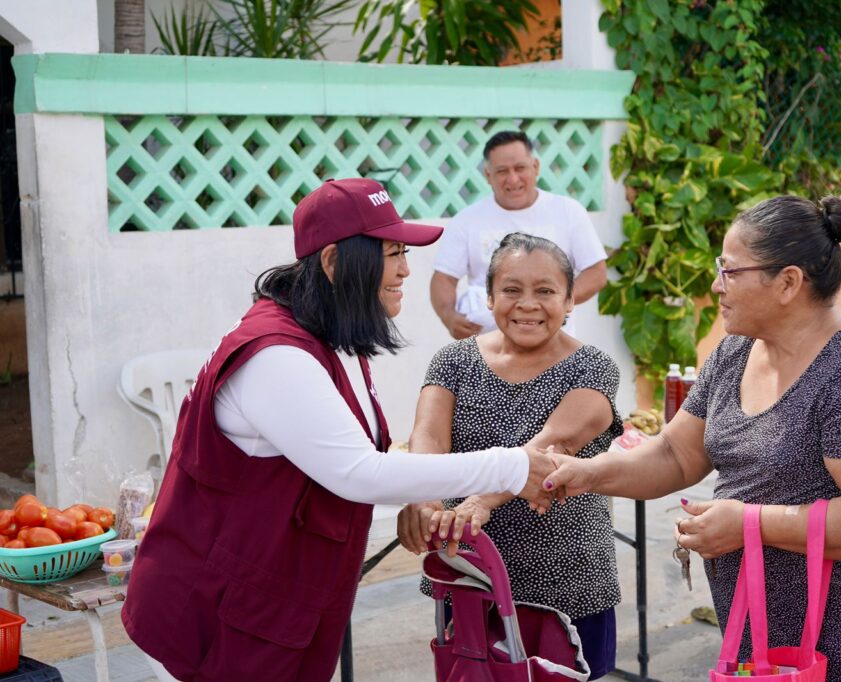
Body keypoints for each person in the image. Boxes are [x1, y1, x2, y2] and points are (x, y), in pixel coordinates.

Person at [121, 179, 560, 682]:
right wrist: (513, 465)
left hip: (272, 605)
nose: (404, 269)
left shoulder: (328, 338)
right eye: (391, 253)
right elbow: (358, 472)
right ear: (333, 263)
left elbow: (355, 453)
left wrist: (418, 494)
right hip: (215, 613)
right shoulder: (276, 356)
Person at [542, 195, 841, 682]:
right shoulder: (735, 353)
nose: (715, 284)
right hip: (757, 646)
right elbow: (677, 455)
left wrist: (748, 523)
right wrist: (587, 473)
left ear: (788, 282)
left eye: (729, 270)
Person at [399, 233, 623, 679]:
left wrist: (477, 503)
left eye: (545, 291)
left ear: (569, 299)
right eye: (511, 290)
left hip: (567, 582)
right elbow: (427, 439)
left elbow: (550, 449)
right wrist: (421, 500)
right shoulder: (453, 361)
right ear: (489, 297)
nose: (528, 304)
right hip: (468, 577)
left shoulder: (594, 367)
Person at [430, 130, 608, 339]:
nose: (513, 179)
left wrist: (555, 302)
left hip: (555, 349)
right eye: (502, 171)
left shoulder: (568, 211)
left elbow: (596, 272)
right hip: (489, 349)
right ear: (488, 175)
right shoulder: (467, 220)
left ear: (536, 167)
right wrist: (448, 316)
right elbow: (443, 279)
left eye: (520, 168)